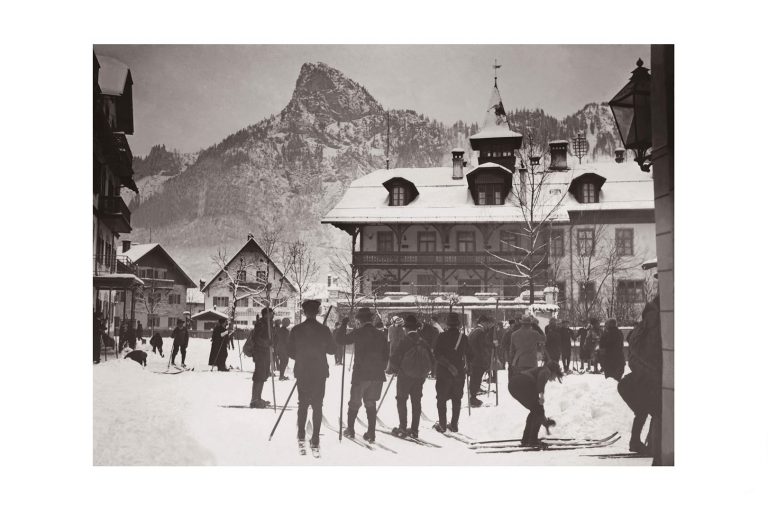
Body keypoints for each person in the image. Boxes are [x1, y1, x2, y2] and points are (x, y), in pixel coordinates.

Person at [287, 300, 336, 450]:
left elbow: (290, 352)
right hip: (319, 371)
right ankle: (315, 436)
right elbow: (332, 350)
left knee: (302, 404)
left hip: (302, 370)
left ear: (304, 312)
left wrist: (302, 358)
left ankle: (301, 433)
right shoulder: (324, 330)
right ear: (317, 312)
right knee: (317, 405)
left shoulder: (296, 329)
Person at [335, 307, 389, 442]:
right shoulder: (381, 334)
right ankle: (371, 433)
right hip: (377, 375)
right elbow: (386, 355)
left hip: (361, 374)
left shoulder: (358, 333)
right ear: (371, 319)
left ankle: (351, 430)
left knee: (354, 403)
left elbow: (340, 340)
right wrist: (380, 368)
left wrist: (343, 325)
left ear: (359, 320)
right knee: (370, 403)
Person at [618, 297, 662, 457]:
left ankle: (641, 442)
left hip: (641, 380)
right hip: (641, 382)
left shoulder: (647, 329)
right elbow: (641, 355)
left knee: (648, 411)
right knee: (656, 412)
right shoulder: (648, 330)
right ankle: (649, 444)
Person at [389, 315, 434, 438]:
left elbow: (394, 358)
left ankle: (402, 427)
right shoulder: (423, 341)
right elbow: (431, 359)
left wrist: (395, 369)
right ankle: (414, 429)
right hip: (419, 377)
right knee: (416, 402)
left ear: (406, 329)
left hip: (405, 376)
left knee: (401, 399)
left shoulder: (404, 341)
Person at [508, 360, 563, 446]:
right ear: (553, 371)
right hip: (521, 384)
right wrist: (541, 395)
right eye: (555, 376)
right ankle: (532, 440)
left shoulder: (541, 370)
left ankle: (526, 439)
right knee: (537, 410)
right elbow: (541, 379)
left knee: (535, 410)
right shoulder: (546, 371)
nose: (554, 379)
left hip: (514, 384)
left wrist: (544, 420)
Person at [433, 312, 469, 433]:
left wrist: (447, 364)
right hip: (458, 372)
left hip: (444, 372)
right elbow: (471, 355)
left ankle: (442, 425)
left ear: (447, 324)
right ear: (458, 325)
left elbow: (436, 354)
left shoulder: (441, 336)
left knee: (441, 399)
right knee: (457, 399)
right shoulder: (463, 338)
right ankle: (454, 425)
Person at [467, 315, 496, 407]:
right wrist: (493, 345)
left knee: (474, 379)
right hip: (478, 360)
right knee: (476, 379)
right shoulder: (480, 332)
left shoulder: (474, 330)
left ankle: (473, 397)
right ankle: (473, 399)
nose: (488, 325)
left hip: (473, 359)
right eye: (487, 323)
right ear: (483, 322)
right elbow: (483, 345)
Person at [507, 316, 545, 382]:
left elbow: (511, 351)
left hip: (519, 363)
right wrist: (536, 326)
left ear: (521, 324)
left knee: (520, 382)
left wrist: (512, 362)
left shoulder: (514, 334)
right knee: (531, 382)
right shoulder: (534, 334)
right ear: (530, 324)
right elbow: (544, 338)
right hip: (532, 362)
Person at [249, 308, 274, 407]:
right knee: (259, 376)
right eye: (271, 314)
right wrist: (267, 343)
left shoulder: (268, 324)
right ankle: (254, 399)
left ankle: (258, 397)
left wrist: (272, 342)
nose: (273, 315)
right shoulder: (260, 324)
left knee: (263, 375)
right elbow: (256, 338)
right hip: (260, 353)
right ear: (266, 315)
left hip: (266, 353)